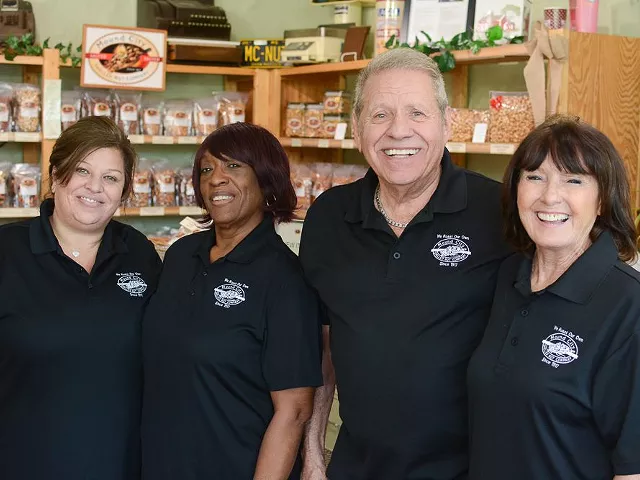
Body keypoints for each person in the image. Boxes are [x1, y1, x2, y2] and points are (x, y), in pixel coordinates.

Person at [299, 48, 511, 479]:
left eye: (417, 113)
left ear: (445, 123)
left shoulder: (499, 212)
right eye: (380, 115)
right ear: (358, 128)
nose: (399, 131)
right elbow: (322, 350)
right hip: (356, 466)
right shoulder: (328, 216)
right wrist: (314, 455)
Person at [141, 122, 323, 480]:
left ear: (266, 178)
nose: (216, 179)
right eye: (206, 169)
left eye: (233, 166)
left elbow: (294, 412)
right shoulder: (180, 256)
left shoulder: (284, 279)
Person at [467, 115, 640, 480]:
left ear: (603, 200)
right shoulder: (506, 278)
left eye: (573, 180)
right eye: (535, 177)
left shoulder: (628, 307)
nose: (549, 196)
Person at [0, 116, 162, 479]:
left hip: (122, 464)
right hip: (22, 463)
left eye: (111, 178)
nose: (95, 188)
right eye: (82, 171)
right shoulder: (7, 252)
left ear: (123, 191)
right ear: (57, 175)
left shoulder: (139, 252)